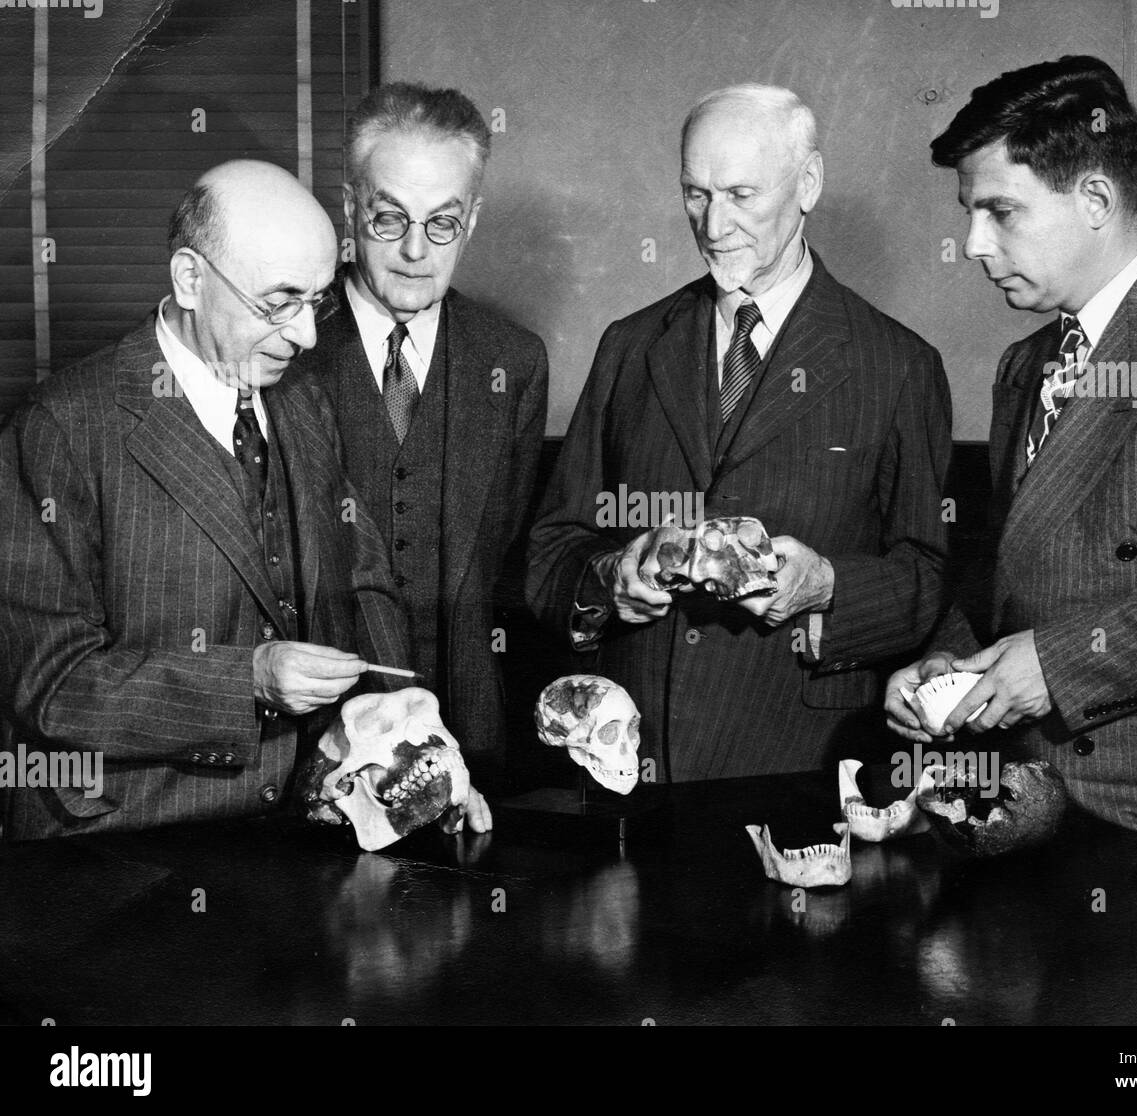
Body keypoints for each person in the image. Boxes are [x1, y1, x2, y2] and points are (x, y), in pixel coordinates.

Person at [886, 56, 1137, 856]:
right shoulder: (1024, 362)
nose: (973, 244)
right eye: (970, 214)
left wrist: (1060, 664)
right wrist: (945, 669)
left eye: (1000, 212)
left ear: (1097, 201)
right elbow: (1015, 571)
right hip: (1023, 790)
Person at [0, 160, 489, 838]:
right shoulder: (62, 428)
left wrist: (399, 727)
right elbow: (50, 684)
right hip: (122, 838)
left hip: (294, 822)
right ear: (190, 280)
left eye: (316, 302)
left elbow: (361, 574)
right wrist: (248, 680)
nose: (307, 335)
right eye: (277, 303)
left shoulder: (298, 398)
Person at [527, 84, 952, 781]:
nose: (714, 224)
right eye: (695, 193)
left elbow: (927, 579)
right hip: (633, 761)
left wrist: (827, 585)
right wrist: (610, 578)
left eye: (741, 194)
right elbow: (553, 551)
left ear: (808, 183)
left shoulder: (898, 365)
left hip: (799, 762)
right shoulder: (630, 347)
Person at [288, 83, 547, 790]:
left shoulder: (512, 361)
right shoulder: (284, 349)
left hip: (473, 735)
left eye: (441, 223)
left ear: (472, 221)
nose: (412, 250)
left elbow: (506, 550)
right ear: (348, 207)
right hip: (312, 747)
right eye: (387, 217)